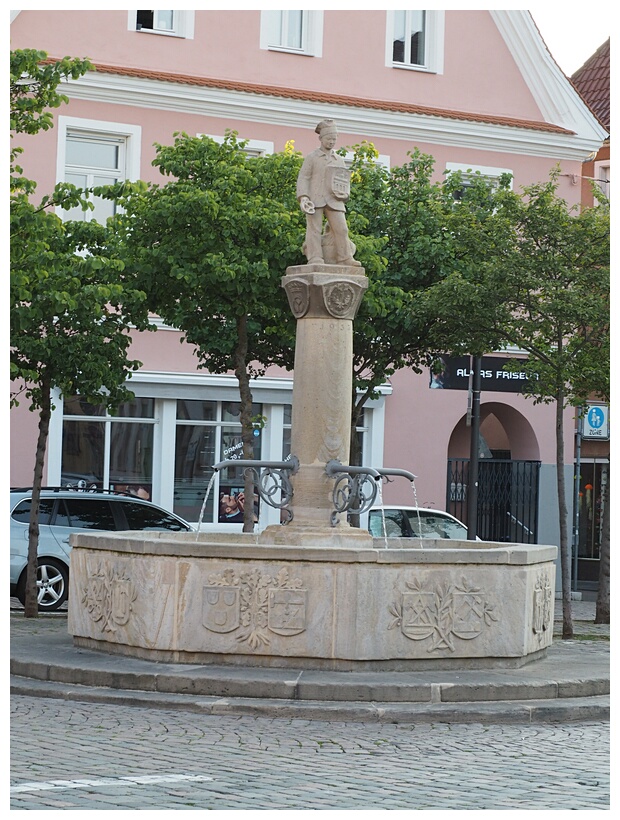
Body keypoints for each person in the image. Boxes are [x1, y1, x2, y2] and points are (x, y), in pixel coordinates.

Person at [296, 118, 361, 267]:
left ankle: (345, 258)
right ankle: (315, 258)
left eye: (334, 139)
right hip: (315, 199)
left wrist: (345, 194)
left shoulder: (338, 159)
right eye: (328, 139)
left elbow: (344, 180)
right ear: (321, 139)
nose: (331, 142)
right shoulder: (312, 157)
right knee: (314, 229)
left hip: (334, 199)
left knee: (342, 229)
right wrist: (303, 197)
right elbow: (303, 177)